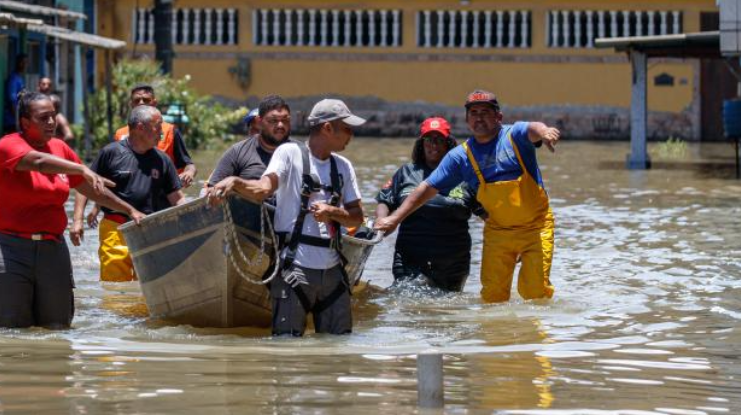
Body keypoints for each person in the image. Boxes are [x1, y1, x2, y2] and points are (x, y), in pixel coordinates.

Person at [375, 90, 560, 304]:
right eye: (474, 113)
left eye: (485, 112)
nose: (479, 117)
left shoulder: (514, 136)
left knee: (534, 291)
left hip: (535, 228)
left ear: (498, 117)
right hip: (498, 232)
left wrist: (545, 131)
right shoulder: (460, 157)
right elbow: (426, 188)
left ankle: (536, 335)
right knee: (492, 298)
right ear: (467, 120)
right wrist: (394, 219)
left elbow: (533, 128)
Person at [0, 91, 146, 329]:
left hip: (51, 246)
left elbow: (92, 189)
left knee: (58, 325)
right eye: (43, 117)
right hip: (7, 246)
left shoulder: (60, 148)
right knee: (10, 327)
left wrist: (130, 210)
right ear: (25, 122)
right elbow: (38, 162)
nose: (51, 122)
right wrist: (80, 169)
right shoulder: (8, 144)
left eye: (54, 116)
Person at [207, 98, 365, 337]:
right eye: (346, 128)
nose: (351, 135)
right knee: (286, 348)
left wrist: (332, 212)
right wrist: (236, 182)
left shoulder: (343, 166)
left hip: (333, 273)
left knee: (339, 347)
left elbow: (357, 218)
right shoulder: (289, 153)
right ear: (328, 128)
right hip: (295, 270)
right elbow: (263, 189)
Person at [376, 117, 486, 292]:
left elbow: (487, 214)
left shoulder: (465, 176)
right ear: (421, 144)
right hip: (409, 257)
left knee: (445, 312)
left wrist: (510, 238)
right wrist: (381, 221)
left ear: (448, 144)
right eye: (429, 140)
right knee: (407, 303)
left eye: (439, 140)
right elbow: (385, 200)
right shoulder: (406, 172)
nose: (434, 145)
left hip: (453, 263)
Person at [83, 104, 186, 282]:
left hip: (149, 229)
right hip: (115, 228)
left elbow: (177, 199)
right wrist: (78, 220)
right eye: (158, 126)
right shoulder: (111, 152)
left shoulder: (163, 160)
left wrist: (197, 214)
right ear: (140, 127)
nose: (161, 132)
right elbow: (85, 184)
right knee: (114, 288)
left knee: (146, 287)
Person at [113, 83, 196, 188]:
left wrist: (189, 173)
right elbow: (111, 169)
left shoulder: (170, 131)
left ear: (154, 102)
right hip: (130, 193)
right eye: (137, 100)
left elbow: (188, 164)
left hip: (164, 194)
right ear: (131, 104)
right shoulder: (120, 134)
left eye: (146, 100)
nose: (141, 103)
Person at [205, 96, 290, 188]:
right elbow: (211, 188)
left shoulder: (299, 152)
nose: (280, 125)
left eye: (285, 120)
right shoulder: (237, 152)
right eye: (252, 128)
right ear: (260, 122)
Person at [3, 53, 27, 134]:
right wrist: (17, 120)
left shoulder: (20, 78)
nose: (24, 65)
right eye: (22, 62)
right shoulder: (13, 79)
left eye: (26, 63)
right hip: (11, 121)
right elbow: (11, 101)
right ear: (18, 63)